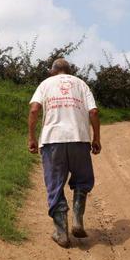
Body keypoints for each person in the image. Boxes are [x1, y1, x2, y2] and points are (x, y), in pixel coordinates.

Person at [28, 58, 101, 248]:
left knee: (55, 185)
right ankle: (77, 219)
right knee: (83, 181)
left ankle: (61, 233)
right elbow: (93, 112)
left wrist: (32, 137)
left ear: (53, 71)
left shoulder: (45, 84)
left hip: (52, 141)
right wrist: (96, 138)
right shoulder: (81, 84)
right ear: (69, 71)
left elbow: (34, 109)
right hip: (79, 139)